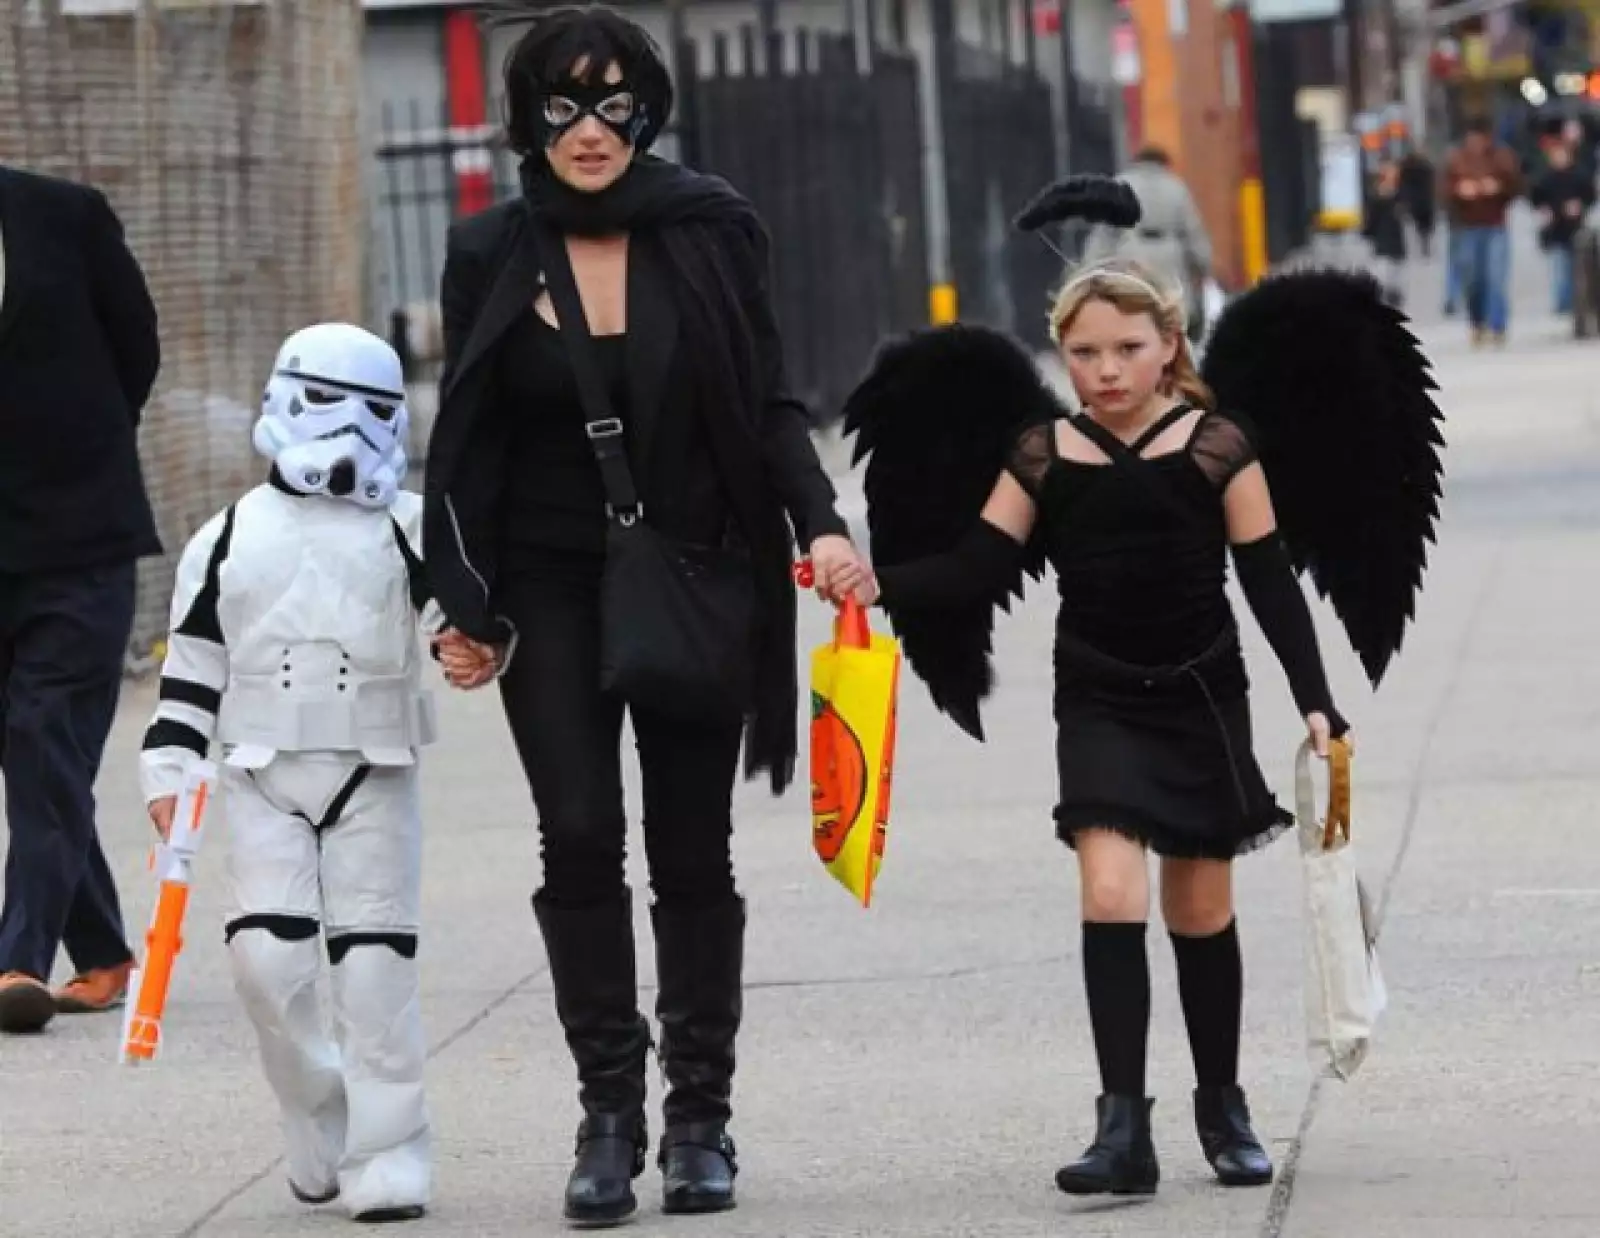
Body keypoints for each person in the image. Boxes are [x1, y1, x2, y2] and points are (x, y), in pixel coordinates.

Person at [835, 175, 1442, 1199]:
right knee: (1110, 888)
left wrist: (1316, 695)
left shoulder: (1218, 446)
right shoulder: (1041, 452)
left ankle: (1222, 1101)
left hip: (1202, 692)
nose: (1105, 370)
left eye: (1126, 349)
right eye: (1083, 353)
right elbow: (975, 567)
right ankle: (1122, 1122)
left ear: (1168, 346)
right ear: (1060, 354)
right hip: (1101, 698)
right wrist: (870, 576)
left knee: (1199, 908)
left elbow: (1267, 583)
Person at [421, 5, 867, 1227]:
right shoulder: (488, 250)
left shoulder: (710, 230)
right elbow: (467, 434)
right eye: (561, 102)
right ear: (527, 118)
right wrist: (459, 600)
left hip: (694, 567)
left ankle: (700, 1117)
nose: (588, 127)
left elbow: (771, 402)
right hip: (549, 582)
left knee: (689, 844)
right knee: (574, 833)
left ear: (646, 108)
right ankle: (608, 1111)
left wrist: (820, 524)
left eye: (612, 99)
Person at [138, 324, 438, 1223]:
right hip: (263, 774)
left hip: (373, 768)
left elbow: (463, 617)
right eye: (326, 401)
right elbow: (192, 661)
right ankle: (321, 1118)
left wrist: (474, 641)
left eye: (372, 409)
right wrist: (170, 764)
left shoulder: (411, 525)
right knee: (267, 965)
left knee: (375, 967)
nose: (347, 429)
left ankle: (389, 1152)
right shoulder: (226, 535)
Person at [0, 165, 161, 1035]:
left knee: (41, 734)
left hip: (80, 541)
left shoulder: (63, 217)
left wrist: (80, 454)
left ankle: (16, 959)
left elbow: (136, 345)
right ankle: (101, 954)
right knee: (37, 760)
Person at [1081, 147, 1213, 343]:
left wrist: (1090, 268)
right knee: (1171, 313)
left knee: (1136, 311)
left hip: (1132, 252)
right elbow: (1192, 231)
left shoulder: (1121, 185)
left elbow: (1105, 233)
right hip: (1171, 257)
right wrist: (1203, 263)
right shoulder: (1176, 187)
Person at [1441, 117, 1522, 345]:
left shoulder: (1501, 156)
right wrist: (1459, 191)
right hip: (1467, 226)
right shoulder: (1456, 159)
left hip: (1495, 224)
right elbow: (1442, 191)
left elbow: (1517, 185)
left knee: (1496, 276)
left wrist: (1498, 187)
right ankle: (1477, 322)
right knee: (1473, 279)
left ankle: (1498, 325)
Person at [1529, 136, 1596, 315]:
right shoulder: (1545, 178)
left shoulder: (1579, 176)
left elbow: (1589, 196)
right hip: (1555, 230)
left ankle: (1574, 302)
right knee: (1559, 268)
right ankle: (1562, 303)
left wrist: (1580, 205)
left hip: (1575, 228)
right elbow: (1536, 198)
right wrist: (1543, 210)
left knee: (1576, 268)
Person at [1363, 159, 1408, 307]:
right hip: (1382, 241)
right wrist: (1368, 232)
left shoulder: (1399, 196)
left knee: (1394, 273)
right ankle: (1387, 296)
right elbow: (1371, 220)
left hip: (1395, 241)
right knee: (1383, 272)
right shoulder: (1376, 197)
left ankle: (1393, 295)